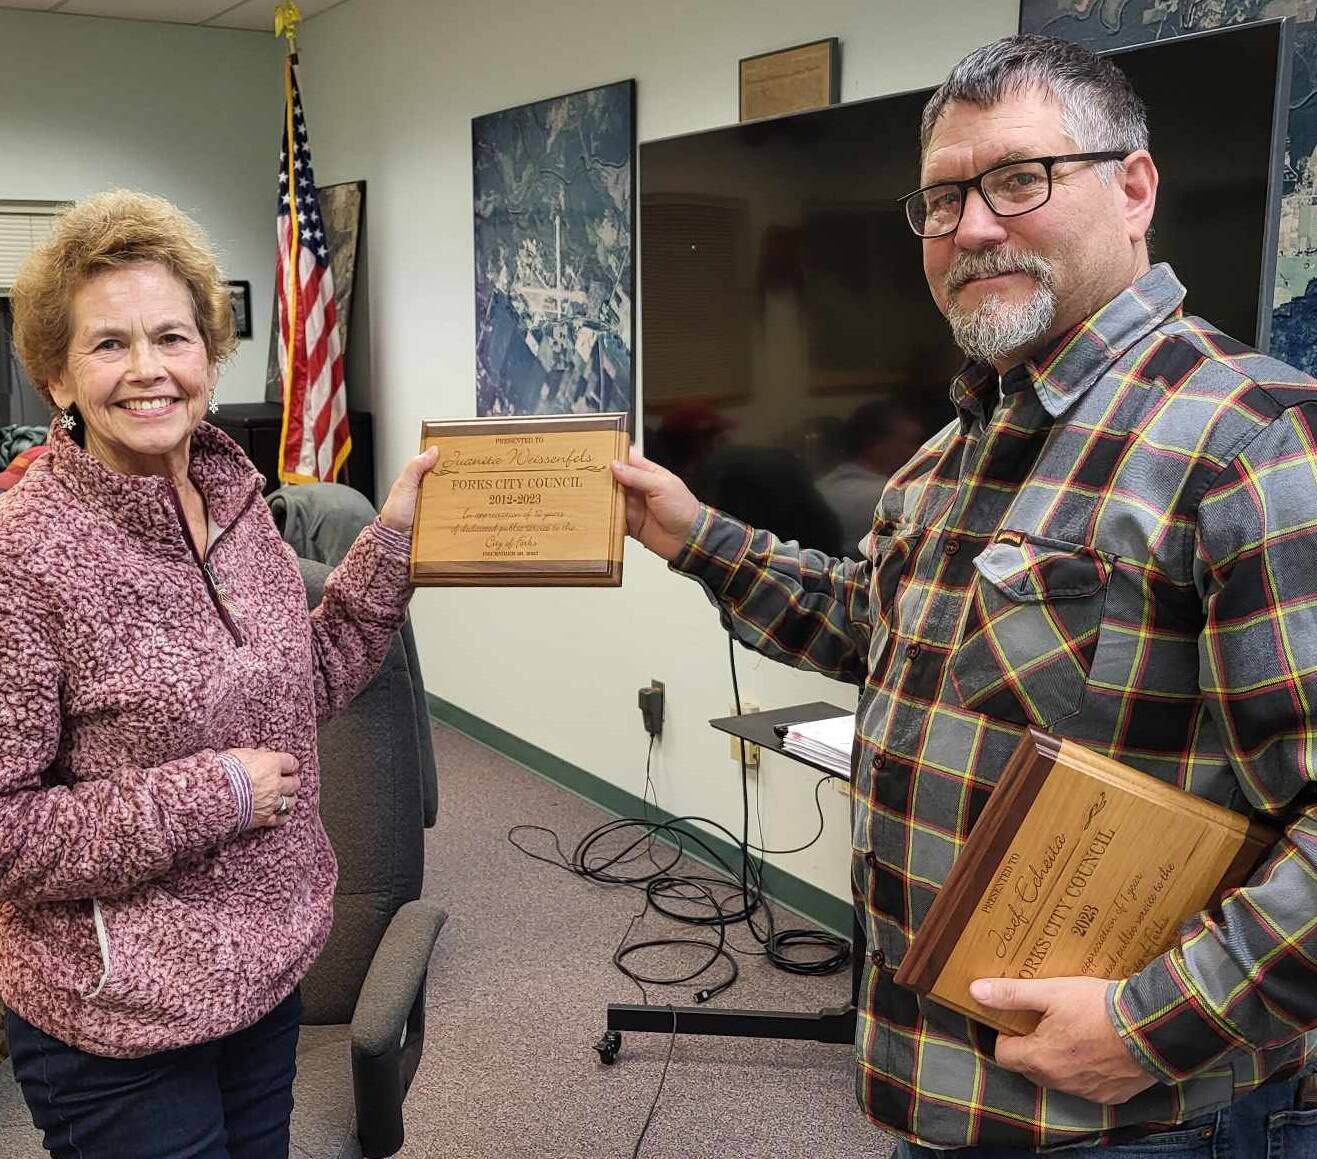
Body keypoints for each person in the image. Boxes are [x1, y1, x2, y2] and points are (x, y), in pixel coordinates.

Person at [611, 34, 1317, 1157]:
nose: (973, 226)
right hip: (950, 1087)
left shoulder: (1252, 442)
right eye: (942, 198)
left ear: (1134, 190)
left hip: (1145, 1114)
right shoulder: (953, 451)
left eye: (1019, 179)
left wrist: (1154, 1023)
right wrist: (696, 538)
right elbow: (880, 628)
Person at [0, 190, 437, 1159]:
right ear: (55, 375)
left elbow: (305, 681)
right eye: (109, 344)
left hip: (265, 971)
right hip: (121, 1019)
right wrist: (219, 794)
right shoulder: (25, 555)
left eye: (172, 336)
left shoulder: (235, 502)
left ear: (210, 353)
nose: (149, 369)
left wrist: (394, 540)